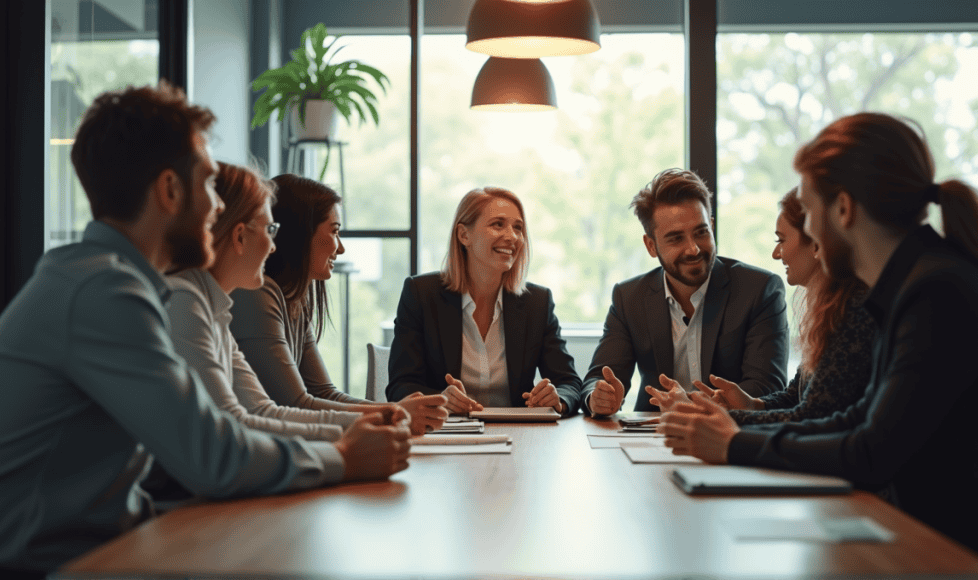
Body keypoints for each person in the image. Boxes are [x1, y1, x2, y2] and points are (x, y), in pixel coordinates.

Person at [0, 82, 410, 576]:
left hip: (97, 546)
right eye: (206, 183)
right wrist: (345, 459)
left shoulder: (107, 279)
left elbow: (220, 433)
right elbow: (213, 455)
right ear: (170, 191)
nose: (218, 207)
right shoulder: (105, 291)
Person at [657, 112, 978, 558]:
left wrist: (735, 442)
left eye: (811, 212)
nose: (811, 231)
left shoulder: (935, 292)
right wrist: (733, 436)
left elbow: (871, 453)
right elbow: (857, 420)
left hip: (949, 552)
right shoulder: (913, 284)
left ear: (844, 209)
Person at [167, 162, 373, 442]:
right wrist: (345, 454)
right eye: (270, 230)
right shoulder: (188, 302)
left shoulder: (216, 308)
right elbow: (236, 426)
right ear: (240, 236)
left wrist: (374, 424)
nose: (274, 245)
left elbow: (262, 412)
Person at [229, 174, 448, 435]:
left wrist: (395, 410)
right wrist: (391, 413)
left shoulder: (297, 299)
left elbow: (324, 392)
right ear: (300, 234)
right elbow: (296, 403)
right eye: (334, 231)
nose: (341, 248)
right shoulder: (258, 294)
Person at [648, 188, 875, 425]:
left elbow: (811, 417)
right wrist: (752, 405)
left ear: (817, 243)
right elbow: (795, 397)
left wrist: (711, 417)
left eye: (781, 240)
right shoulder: (830, 310)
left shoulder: (852, 311)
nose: (777, 254)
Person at [581, 168, 789, 416]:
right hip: (653, 437)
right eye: (676, 238)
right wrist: (599, 397)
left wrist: (691, 406)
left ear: (712, 227)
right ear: (651, 245)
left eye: (701, 232)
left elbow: (767, 388)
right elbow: (599, 377)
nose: (693, 249)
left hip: (732, 439)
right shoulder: (629, 298)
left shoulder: (760, 290)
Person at [386, 186, 583, 415]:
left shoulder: (537, 303)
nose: (511, 237)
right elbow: (400, 386)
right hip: (446, 436)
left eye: (518, 228)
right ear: (464, 235)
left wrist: (557, 398)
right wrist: (439, 399)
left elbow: (570, 384)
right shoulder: (421, 294)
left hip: (521, 437)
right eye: (497, 224)